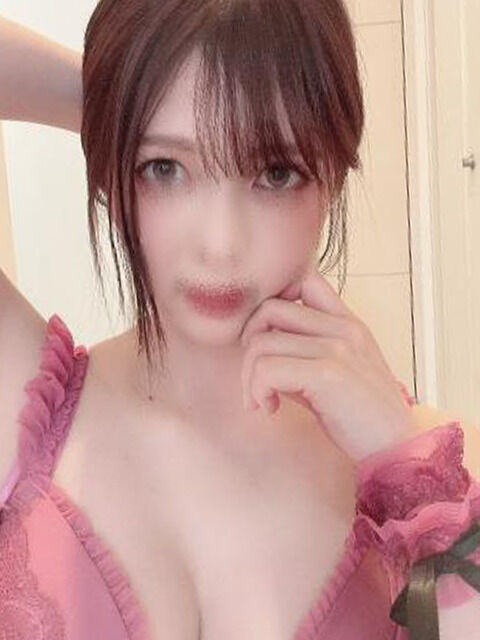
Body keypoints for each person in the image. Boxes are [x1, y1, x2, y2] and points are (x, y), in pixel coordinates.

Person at [1, 2, 480, 639]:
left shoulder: (440, 469)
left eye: (275, 173)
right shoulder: (23, 406)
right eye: (164, 167)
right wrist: (117, 102)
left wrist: (407, 469)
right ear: (111, 177)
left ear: (333, 176)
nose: (220, 244)